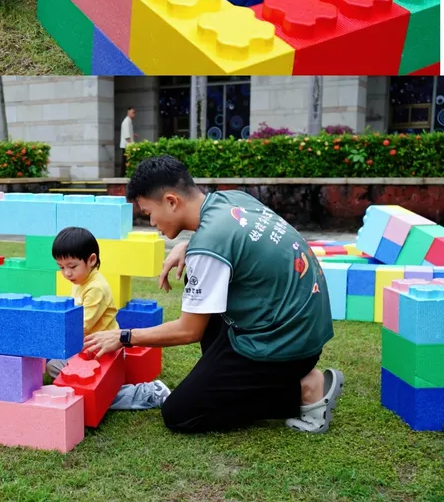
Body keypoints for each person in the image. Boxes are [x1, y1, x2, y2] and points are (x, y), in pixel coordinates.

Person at [85, 155, 343, 434]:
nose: (151, 223)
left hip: (286, 345)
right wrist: (188, 245)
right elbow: (235, 238)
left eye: (149, 213)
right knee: (208, 315)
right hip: (302, 326)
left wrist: (124, 337)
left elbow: (188, 331)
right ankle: (239, 381)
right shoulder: (231, 200)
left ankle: (306, 389)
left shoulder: (209, 245)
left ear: (172, 201)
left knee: (180, 413)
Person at [47, 226, 170, 410]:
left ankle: (148, 392)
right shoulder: (81, 281)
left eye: (72, 266)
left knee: (92, 389)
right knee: (55, 366)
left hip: (104, 350)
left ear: (91, 260)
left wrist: (52, 334)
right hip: (90, 347)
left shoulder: (95, 287)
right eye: (61, 267)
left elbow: (81, 325)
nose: (67, 273)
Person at [119, 107, 136, 176]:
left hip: (128, 145)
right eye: (133, 113)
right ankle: (123, 175)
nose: (134, 114)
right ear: (128, 113)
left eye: (134, 113)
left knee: (126, 161)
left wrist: (133, 135)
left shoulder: (129, 121)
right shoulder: (126, 121)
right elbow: (127, 136)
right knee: (126, 161)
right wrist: (131, 145)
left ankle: (125, 174)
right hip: (127, 145)